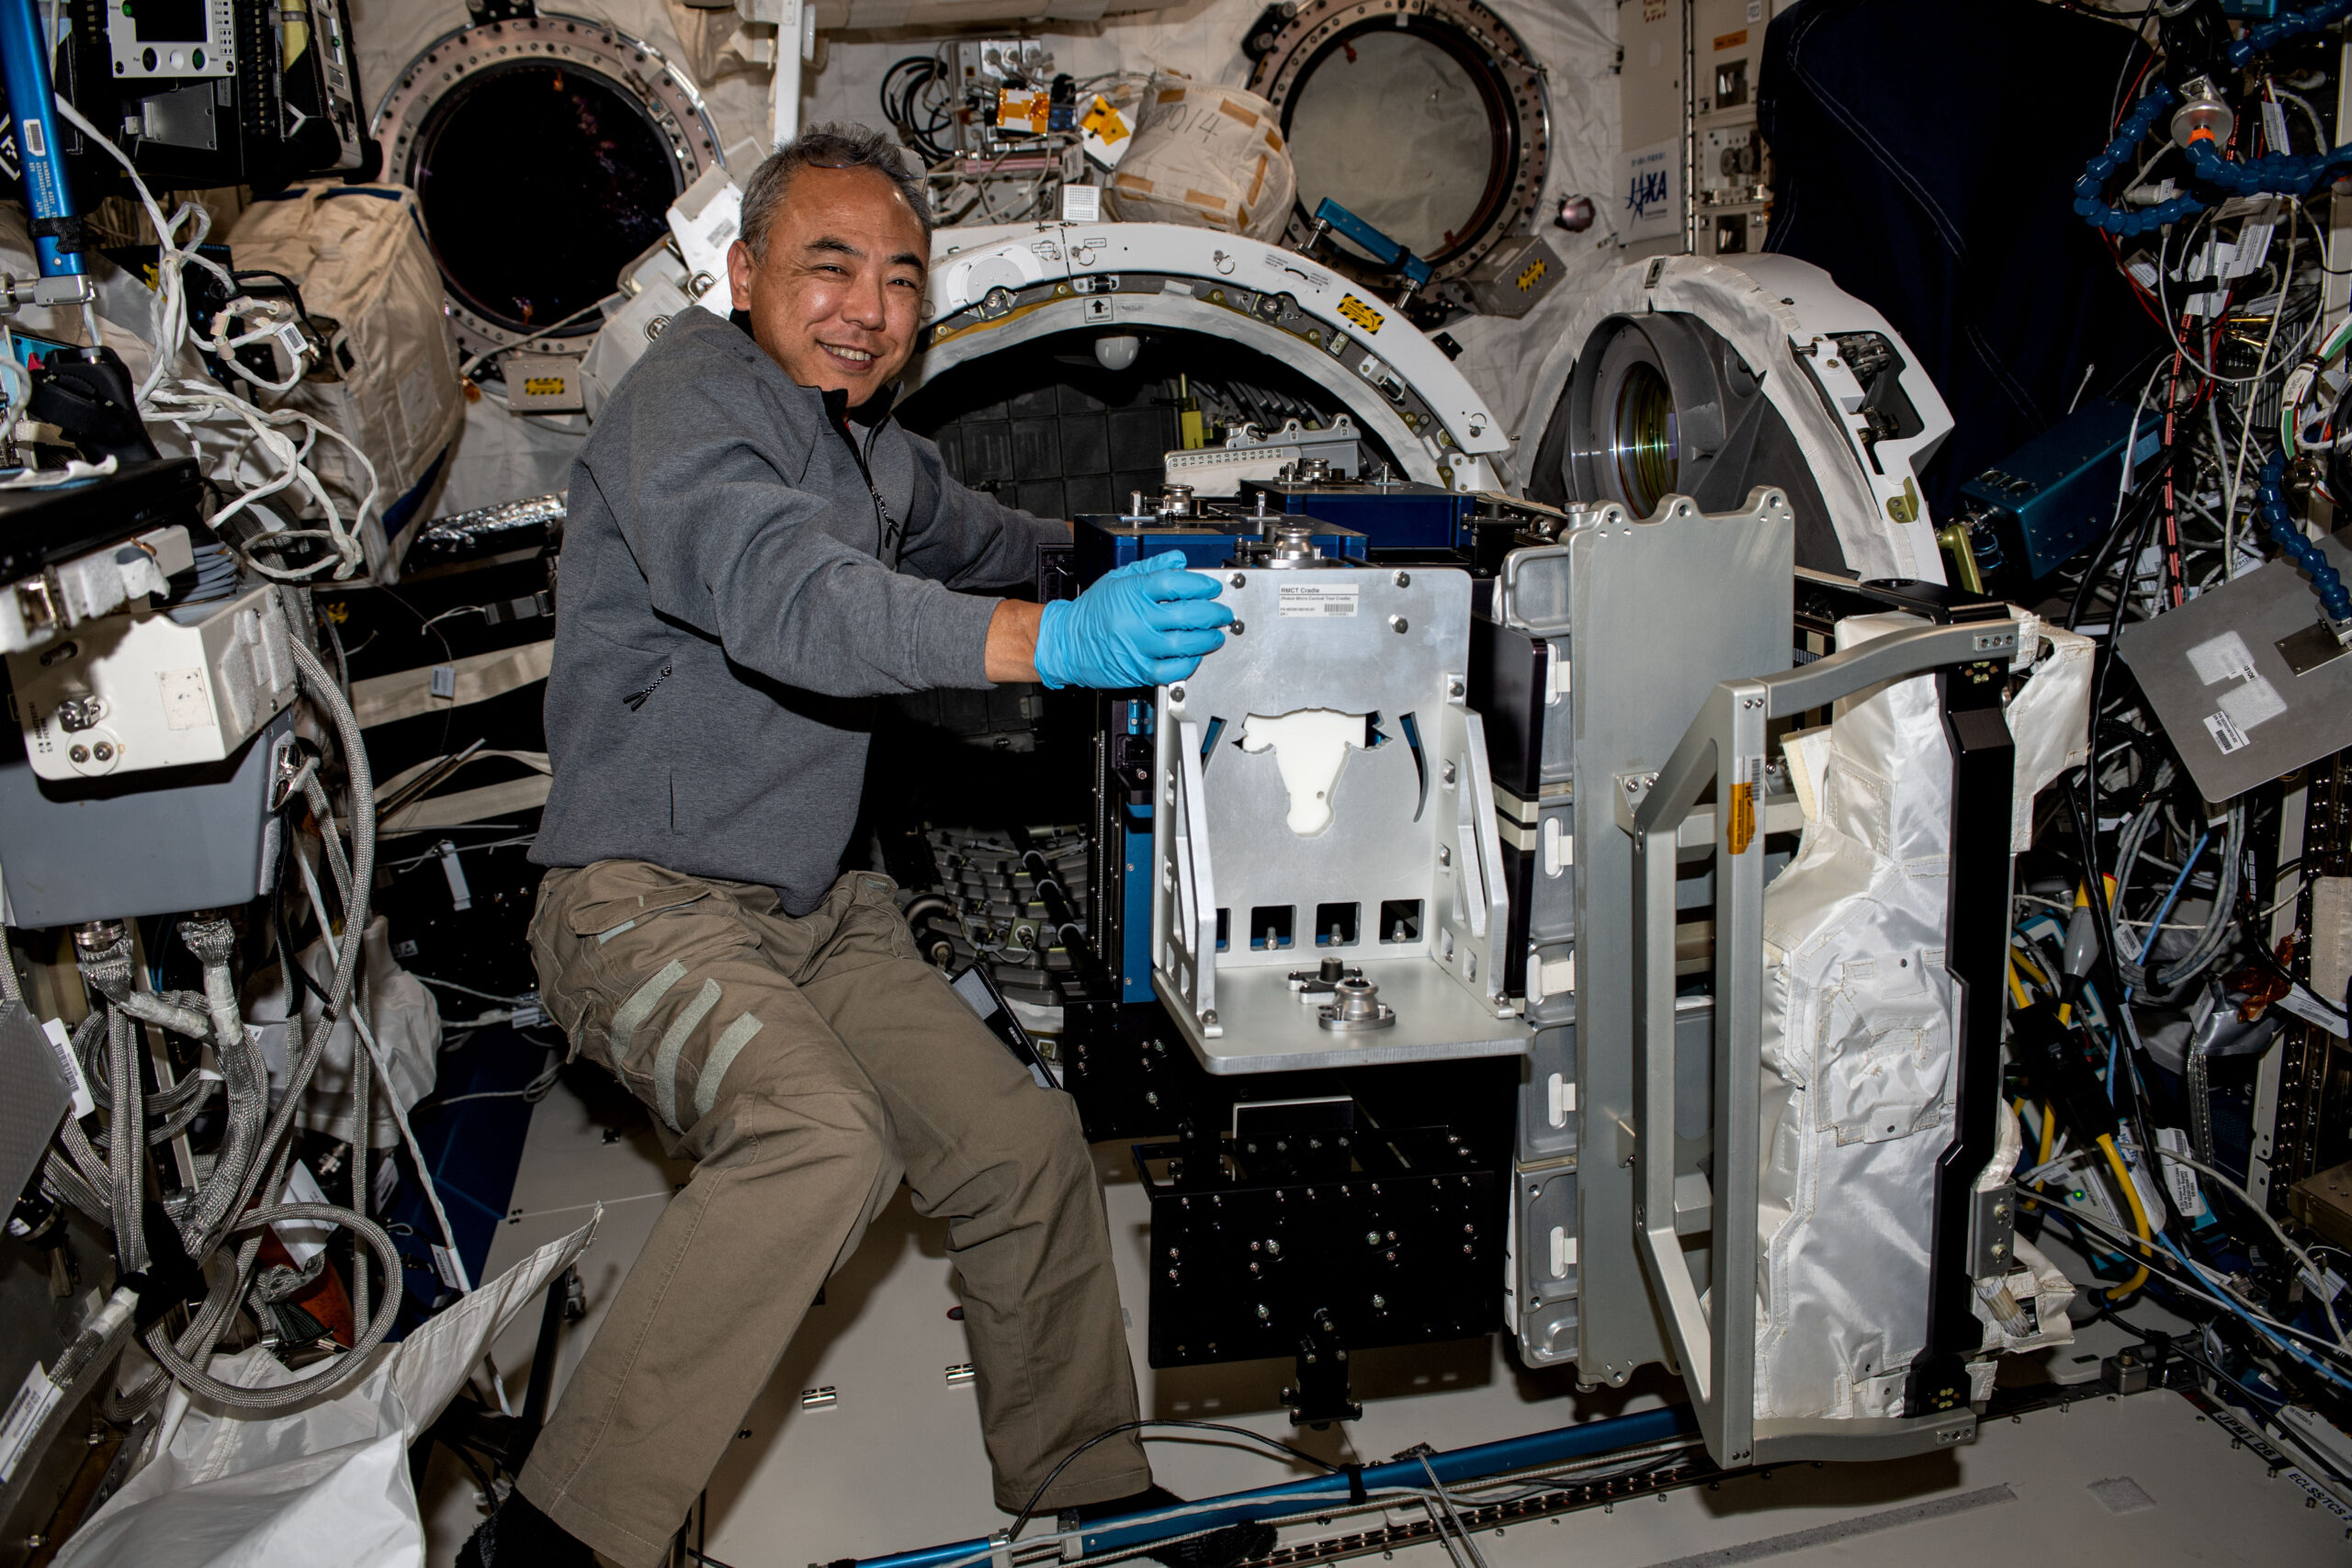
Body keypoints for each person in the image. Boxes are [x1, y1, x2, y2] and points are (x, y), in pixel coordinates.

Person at [460, 125, 1244, 1568]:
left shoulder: (872, 452)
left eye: (899, 278)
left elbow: (986, 532)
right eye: (829, 267)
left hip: (823, 911)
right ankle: (554, 1542)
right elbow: (783, 593)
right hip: (642, 904)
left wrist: (1127, 553)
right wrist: (1048, 643)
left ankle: (1086, 1487)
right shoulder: (688, 401)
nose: (868, 308)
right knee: (820, 1139)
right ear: (747, 275)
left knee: (1019, 1145)